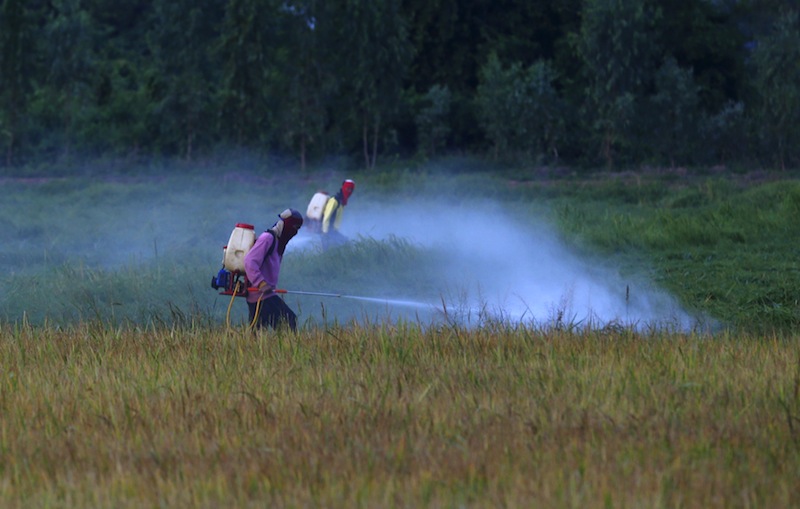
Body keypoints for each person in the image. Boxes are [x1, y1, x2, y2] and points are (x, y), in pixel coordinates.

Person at [243, 208, 303, 331]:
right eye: (295, 227)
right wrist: (261, 283)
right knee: (289, 322)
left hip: (266, 294)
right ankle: (287, 349)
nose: (295, 232)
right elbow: (249, 261)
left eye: (298, 229)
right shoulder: (268, 238)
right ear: (287, 224)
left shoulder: (279, 242)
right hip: (261, 295)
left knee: (258, 333)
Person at [316, 179, 355, 250]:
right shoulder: (334, 201)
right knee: (345, 243)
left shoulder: (342, 203)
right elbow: (326, 217)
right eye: (348, 188)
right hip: (327, 232)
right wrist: (325, 234)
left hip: (333, 231)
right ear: (343, 187)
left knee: (344, 244)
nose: (349, 191)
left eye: (351, 190)